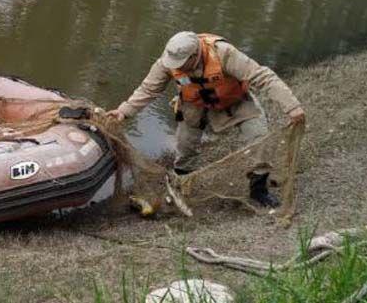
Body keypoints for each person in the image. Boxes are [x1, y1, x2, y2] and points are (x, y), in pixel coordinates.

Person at [106, 32, 306, 208]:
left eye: (182, 64)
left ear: (195, 55)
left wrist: (292, 106)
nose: (178, 68)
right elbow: (148, 89)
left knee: (259, 139)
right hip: (194, 105)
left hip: (234, 102)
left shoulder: (223, 53)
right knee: (185, 146)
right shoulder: (167, 62)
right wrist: (124, 111)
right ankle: (183, 184)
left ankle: (258, 191)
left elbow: (262, 76)